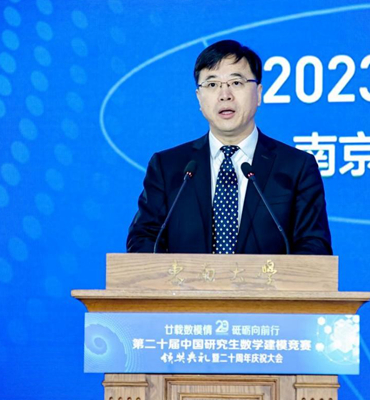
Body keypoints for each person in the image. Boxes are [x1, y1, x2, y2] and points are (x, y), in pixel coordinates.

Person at [126, 39, 332, 255]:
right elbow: (143, 240)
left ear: (259, 93)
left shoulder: (296, 167)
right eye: (212, 85)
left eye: (236, 83)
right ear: (199, 98)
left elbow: (314, 248)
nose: (225, 95)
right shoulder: (168, 167)